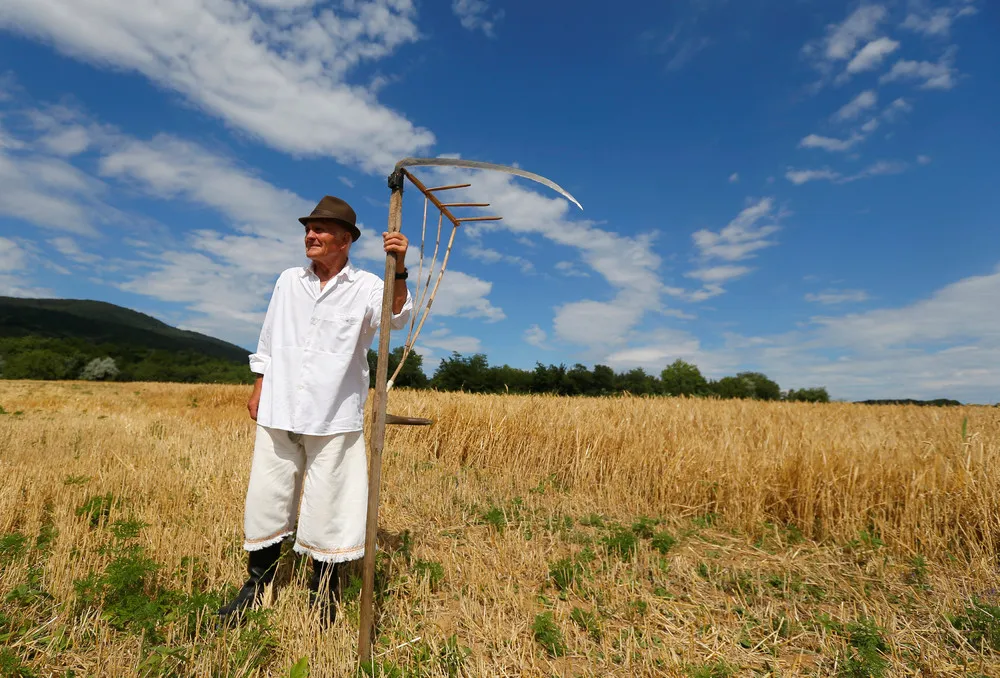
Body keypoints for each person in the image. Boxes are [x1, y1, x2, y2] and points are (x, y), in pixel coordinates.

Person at [217, 195, 411, 626]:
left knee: (330, 504)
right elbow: (268, 339)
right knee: (268, 497)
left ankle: (322, 593)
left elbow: (397, 317)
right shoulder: (288, 280)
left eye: (321, 229)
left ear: (345, 240)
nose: (310, 234)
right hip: (279, 405)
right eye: (309, 228)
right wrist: (259, 385)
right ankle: (258, 586)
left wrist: (398, 266)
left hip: (334, 413)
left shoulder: (367, 286)